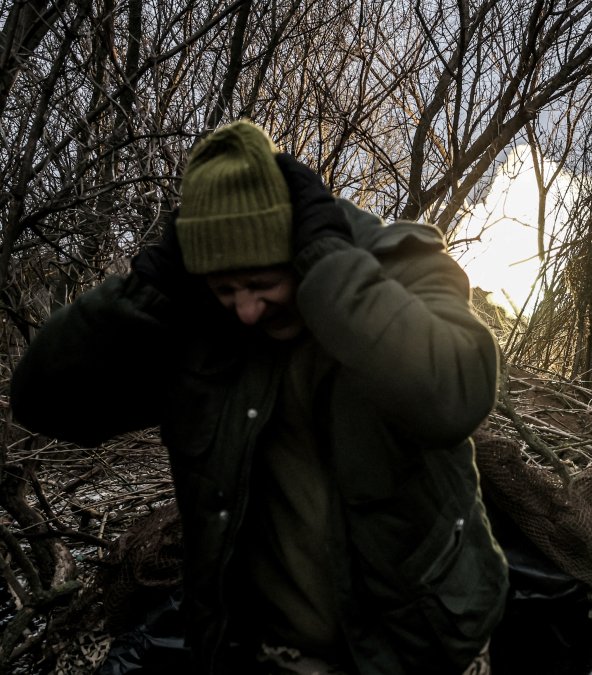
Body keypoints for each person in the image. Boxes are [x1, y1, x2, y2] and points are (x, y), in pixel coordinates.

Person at [11, 120, 509, 674]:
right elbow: (44, 401)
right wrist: (146, 287)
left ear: (299, 250)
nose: (247, 309)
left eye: (263, 283)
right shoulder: (197, 327)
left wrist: (329, 269)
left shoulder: (401, 264)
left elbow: (454, 394)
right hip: (267, 655)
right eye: (227, 289)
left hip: (417, 651)